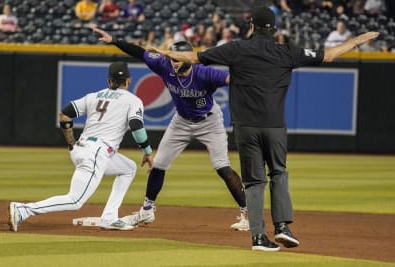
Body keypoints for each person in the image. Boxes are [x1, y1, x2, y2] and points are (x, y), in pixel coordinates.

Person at [149, 6, 379, 251]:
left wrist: (161, 51)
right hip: (274, 126)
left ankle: (258, 237)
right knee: (278, 173)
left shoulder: (236, 48)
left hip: (245, 127)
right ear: (274, 29)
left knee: (254, 182)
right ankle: (282, 227)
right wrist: (356, 41)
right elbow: (330, 55)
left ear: (251, 26)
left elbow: (193, 58)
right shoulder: (288, 51)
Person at [92, 27, 249, 231]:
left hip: (209, 122)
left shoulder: (205, 72)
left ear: (189, 58)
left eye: (178, 58)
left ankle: (247, 214)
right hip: (181, 121)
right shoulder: (164, 64)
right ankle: (147, 211)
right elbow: (138, 52)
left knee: (222, 167)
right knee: (158, 165)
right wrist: (114, 39)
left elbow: (233, 80)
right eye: (172, 58)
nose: (174, 62)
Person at [8, 62, 154, 232]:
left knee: (128, 168)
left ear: (109, 81)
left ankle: (109, 217)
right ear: (128, 81)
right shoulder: (132, 100)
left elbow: (65, 113)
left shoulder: (94, 96)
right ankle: (23, 210)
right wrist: (147, 151)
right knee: (75, 200)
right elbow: (136, 126)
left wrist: (71, 142)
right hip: (97, 152)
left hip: (85, 148)